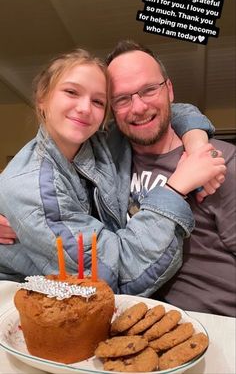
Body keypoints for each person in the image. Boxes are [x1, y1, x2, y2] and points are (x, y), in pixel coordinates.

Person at [0, 48, 225, 298]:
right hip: (26, 302)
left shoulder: (100, 141)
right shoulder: (32, 187)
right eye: (71, 92)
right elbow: (108, 279)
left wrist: (197, 146)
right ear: (42, 98)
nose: (85, 108)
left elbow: (160, 111)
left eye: (98, 101)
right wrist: (176, 188)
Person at [106, 40, 236, 316]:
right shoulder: (107, 164)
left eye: (149, 90)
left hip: (219, 325)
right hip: (138, 323)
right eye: (122, 98)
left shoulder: (219, 160)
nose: (138, 107)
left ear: (170, 90)